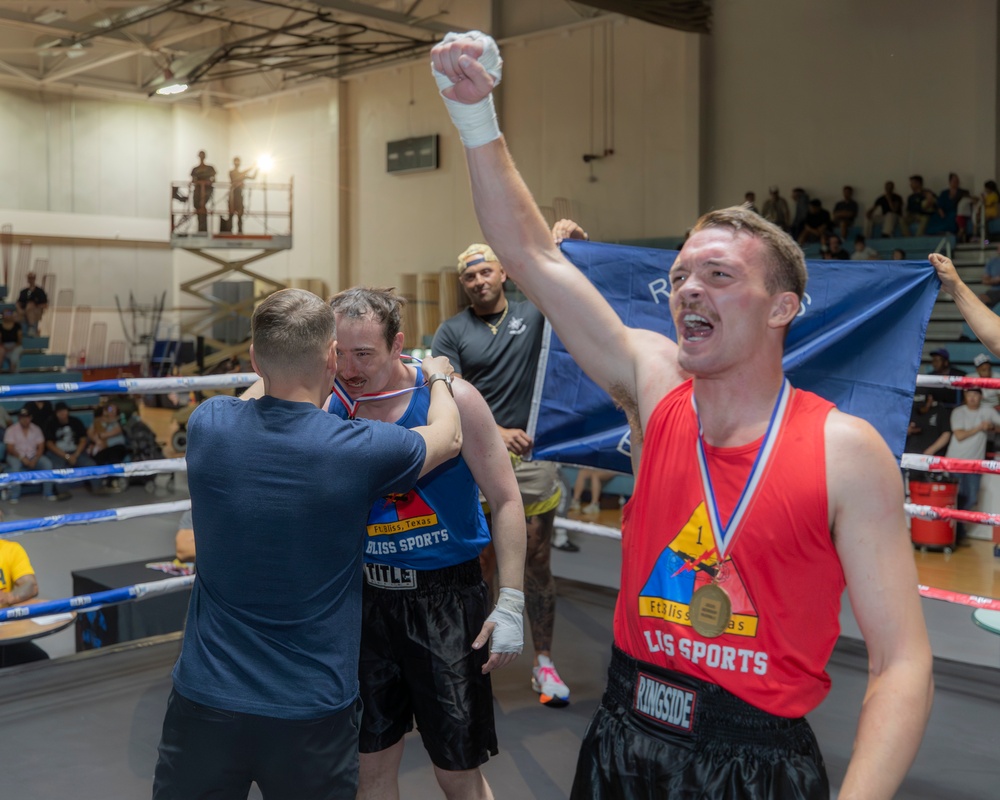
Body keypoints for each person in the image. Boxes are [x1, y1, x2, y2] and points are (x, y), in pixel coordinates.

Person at [430, 32, 933, 798]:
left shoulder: (841, 449)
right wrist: (474, 116)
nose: (688, 289)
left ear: (783, 307)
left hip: (753, 756)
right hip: (627, 735)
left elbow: (902, 662)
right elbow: (531, 255)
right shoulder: (658, 382)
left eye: (720, 275)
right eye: (680, 276)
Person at [152, 288, 463, 799]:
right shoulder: (357, 451)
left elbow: (261, 392)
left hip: (207, 701)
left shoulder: (209, 425)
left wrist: (280, 362)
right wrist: (440, 375)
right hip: (311, 710)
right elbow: (448, 438)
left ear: (254, 358)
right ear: (332, 359)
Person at [326, 287, 526, 800]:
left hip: (446, 602)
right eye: (338, 352)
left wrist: (512, 599)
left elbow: (505, 498)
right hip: (365, 601)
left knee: (457, 772)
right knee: (368, 769)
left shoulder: (454, 398)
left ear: (397, 345)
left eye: (363, 353)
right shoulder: (328, 403)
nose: (348, 367)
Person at [433, 243, 571, 708]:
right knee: (483, 562)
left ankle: (545, 663)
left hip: (531, 457)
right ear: (463, 283)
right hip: (475, 456)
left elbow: (571, 294)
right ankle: (479, 662)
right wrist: (496, 430)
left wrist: (570, 246)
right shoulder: (452, 330)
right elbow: (444, 392)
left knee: (535, 558)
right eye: (469, 276)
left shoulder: (533, 317)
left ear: (503, 273)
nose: (478, 281)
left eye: (485, 272)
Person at [945, 387, 1000, 544]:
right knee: (956, 500)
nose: (972, 398)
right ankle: (955, 535)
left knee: (971, 499)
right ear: (965, 395)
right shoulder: (958, 412)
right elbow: (959, 435)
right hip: (954, 462)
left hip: (975, 464)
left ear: (980, 396)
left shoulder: (987, 410)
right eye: (969, 394)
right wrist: (980, 427)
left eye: (975, 394)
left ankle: (957, 533)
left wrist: (992, 427)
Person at [0, 539, 48, 666]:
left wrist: (8, 597)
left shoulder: (10, 549)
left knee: (39, 661)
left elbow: (30, 585)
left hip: (4, 630)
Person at [3, 406, 61, 503]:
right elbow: (10, 449)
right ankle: (14, 495)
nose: (25, 419)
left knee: (47, 464)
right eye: (22, 417)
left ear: (30, 418)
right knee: (15, 467)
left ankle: (48, 493)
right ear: (19, 418)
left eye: (27, 417)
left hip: (33, 455)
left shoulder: (36, 429)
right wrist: (22, 458)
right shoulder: (11, 430)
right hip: (16, 456)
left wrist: (35, 459)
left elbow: (41, 446)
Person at [45, 401, 101, 496]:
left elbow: (83, 439)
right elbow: (49, 444)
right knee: (58, 468)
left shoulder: (75, 421)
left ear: (67, 411)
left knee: (90, 464)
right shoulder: (51, 423)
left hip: (76, 451)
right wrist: (66, 456)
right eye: (59, 412)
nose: (62, 413)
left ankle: (98, 488)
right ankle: (62, 492)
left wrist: (76, 455)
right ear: (56, 413)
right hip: (58, 453)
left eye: (64, 411)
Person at [228, 156, 258, 234]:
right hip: (233, 195)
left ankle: (240, 231)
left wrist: (257, 169)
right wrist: (252, 167)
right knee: (231, 213)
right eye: (236, 161)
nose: (237, 163)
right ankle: (229, 231)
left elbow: (253, 177)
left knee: (240, 214)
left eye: (238, 162)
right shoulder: (232, 172)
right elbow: (239, 175)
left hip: (239, 195)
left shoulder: (241, 174)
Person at [190, 150, 216, 233]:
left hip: (206, 190)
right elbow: (193, 180)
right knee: (198, 207)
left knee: (202, 207)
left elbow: (214, 179)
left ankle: (203, 230)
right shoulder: (195, 169)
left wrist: (207, 182)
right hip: (197, 190)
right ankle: (200, 229)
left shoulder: (210, 168)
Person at [15, 271, 47, 337]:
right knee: (14, 314)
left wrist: (35, 305)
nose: (30, 280)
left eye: (32, 278)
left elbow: (45, 304)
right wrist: (20, 309)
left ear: (34, 279)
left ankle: (32, 328)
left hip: (36, 311)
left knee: (30, 306)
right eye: (29, 278)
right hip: (24, 311)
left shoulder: (40, 291)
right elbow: (18, 302)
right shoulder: (24, 291)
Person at [0, 308, 23, 372]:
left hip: (16, 345)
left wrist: (12, 347)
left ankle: (13, 372)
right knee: (0, 350)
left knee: (15, 354)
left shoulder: (17, 326)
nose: (7, 315)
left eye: (8, 313)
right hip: (4, 346)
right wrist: (4, 347)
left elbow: (19, 341)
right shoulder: (0, 327)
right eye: (5, 314)